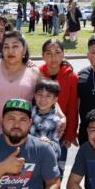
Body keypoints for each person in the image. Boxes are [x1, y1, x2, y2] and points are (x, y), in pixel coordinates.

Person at [0, 30, 40, 134]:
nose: (10, 51)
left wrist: (61, 115)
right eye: (6, 47)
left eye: (15, 46)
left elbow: (48, 94)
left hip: (21, 134)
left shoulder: (34, 72)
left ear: (23, 50)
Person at [39, 39, 78, 177]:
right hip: (40, 131)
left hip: (61, 132)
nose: (53, 58)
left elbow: (73, 106)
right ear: (42, 55)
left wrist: (70, 134)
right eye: (48, 53)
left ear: (63, 54)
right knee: (40, 170)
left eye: (57, 53)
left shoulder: (71, 76)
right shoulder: (38, 74)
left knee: (57, 171)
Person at [30, 79, 62, 161]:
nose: (43, 99)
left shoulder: (56, 121)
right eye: (40, 94)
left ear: (55, 100)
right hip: (26, 157)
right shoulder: (28, 113)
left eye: (48, 96)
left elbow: (57, 148)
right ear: (35, 96)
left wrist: (49, 143)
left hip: (43, 161)